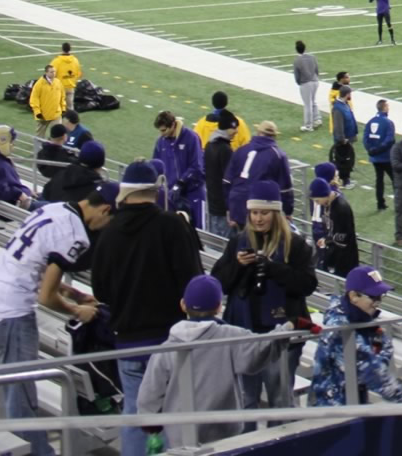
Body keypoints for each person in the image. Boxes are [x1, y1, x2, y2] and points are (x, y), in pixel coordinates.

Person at [0, 182, 115, 456]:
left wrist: (74, 292)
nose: (106, 227)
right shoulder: (76, 233)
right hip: (11, 311)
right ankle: (33, 452)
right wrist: (77, 311)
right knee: (21, 393)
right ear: (106, 210)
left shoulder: (55, 209)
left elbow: (34, 263)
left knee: (15, 387)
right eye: (110, 220)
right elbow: (46, 297)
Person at [91, 161, 206, 456]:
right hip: (169, 340)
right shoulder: (172, 226)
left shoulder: (110, 232)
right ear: (155, 191)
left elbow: (100, 291)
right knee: (174, 412)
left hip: (128, 340)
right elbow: (193, 283)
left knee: (134, 412)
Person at [135, 273, 282, 449]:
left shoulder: (166, 348)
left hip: (180, 437)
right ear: (219, 307)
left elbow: (150, 392)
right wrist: (286, 330)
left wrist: (151, 426)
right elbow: (259, 350)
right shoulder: (230, 336)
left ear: (183, 304)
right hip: (225, 434)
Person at [211, 181, 317, 407]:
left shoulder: (295, 245)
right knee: (247, 399)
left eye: (264, 213)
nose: (258, 219)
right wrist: (238, 265)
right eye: (254, 213)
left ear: (276, 214)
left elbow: (307, 285)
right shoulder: (238, 242)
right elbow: (219, 283)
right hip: (244, 332)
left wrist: (272, 268)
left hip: (281, 335)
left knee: (279, 398)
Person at [309, 266, 402, 406]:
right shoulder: (340, 328)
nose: (378, 302)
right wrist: (400, 399)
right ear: (353, 296)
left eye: (381, 297)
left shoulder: (363, 320)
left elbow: (384, 351)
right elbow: (370, 369)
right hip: (330, 408)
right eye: (373, 297)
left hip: (353, 399)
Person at [223, 121, 295, 226]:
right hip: (260, 210)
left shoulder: (241, 150)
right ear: (274, 136)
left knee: (242, 240)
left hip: (237, 205)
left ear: (258, 132)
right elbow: (285, 188)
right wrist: (288, 211)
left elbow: (227, 181)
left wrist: (229, 208)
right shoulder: (278, 155)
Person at [153, 110, 206, 228]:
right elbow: (156, 165)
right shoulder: (161, 142)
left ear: (172, 125)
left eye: (164, 130)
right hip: (172, 195)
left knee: (198, 230)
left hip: (193, 192)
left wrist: (181, 182)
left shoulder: (191, 137)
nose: (162, 134)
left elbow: (197, 166)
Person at [308, 177, 359, 275]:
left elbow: (343, 236)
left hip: (345, 258)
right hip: (334, 255)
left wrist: (326, 241)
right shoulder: (327, 205)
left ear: (324, 195)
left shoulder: (341, 208)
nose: (316, 203)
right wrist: (325, 239)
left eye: (317, 200)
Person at [199, 116, 239, 239]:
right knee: (226, 245)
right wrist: (230, 207)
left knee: (214, 243)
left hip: (212, 204)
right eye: (234, 128)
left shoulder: (209, 145)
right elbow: (229, 181)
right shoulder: (225, 150)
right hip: (223, 208)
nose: (236, 131)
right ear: (227, 129)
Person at [363, 99, 396, 210]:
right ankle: (398, 203)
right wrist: (379, 149)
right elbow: (389, 140)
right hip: (386, 157)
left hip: (375, 158)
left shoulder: (370, 121)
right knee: (395, 179)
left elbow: (365, 139)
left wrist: (371, 150)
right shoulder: (388, 122)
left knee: (379, 179)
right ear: (385, 108)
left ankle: (380, 203)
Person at [330, 86, 359, 188]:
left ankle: (346, 179)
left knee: (348, 159)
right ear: (347, 94)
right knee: (343, 161)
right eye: (350, 94)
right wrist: (342, 139)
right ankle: (344, 181)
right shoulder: (338, 108)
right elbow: (338, 126)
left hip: (348, 139)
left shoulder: (344, 104)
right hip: (343, 141)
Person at [30, 65, 67, 135]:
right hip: (43, 115)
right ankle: (38, 146)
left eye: (54, 72)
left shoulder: (58, 82)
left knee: (57, 134)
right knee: (39, 135)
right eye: (51, 72)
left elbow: (62, 96)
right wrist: (37, 112)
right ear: (46, 73)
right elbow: (34, 98)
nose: (53, 73)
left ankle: (54, 145)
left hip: (56, 114)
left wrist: (63, 108)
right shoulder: (39, 84)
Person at [293, 40, 322, 131]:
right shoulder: (312, 57)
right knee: (313, 101)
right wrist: (316, 77)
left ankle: (308, 125)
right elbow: (317, 69)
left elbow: (297, 74)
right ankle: (317, 119)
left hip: (305, 82)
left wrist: (299, 82)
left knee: (307, 104)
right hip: (315, 81)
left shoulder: (297, 60)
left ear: (296, 50)